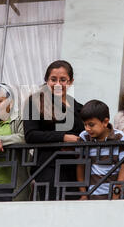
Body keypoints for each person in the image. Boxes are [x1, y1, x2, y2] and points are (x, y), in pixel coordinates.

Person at [23, 60, 85, 200]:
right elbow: (31, 135)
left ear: (70, 81)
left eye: (63, 80)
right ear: (46, 80)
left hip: (76, 169)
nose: (58, 84)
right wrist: (63, 137)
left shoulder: (79, 107)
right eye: (53, 79)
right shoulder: (35, 102)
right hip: (49, 167)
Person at [77, 100, 124, 200]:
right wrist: (83, 193)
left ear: (105, 122)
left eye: (91, 125)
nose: (87, 129)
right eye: (85, 125)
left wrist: (117, 193)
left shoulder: (119, 137)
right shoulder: (84, 137)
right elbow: (81, 166)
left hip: (119, 194)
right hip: (94, 193)